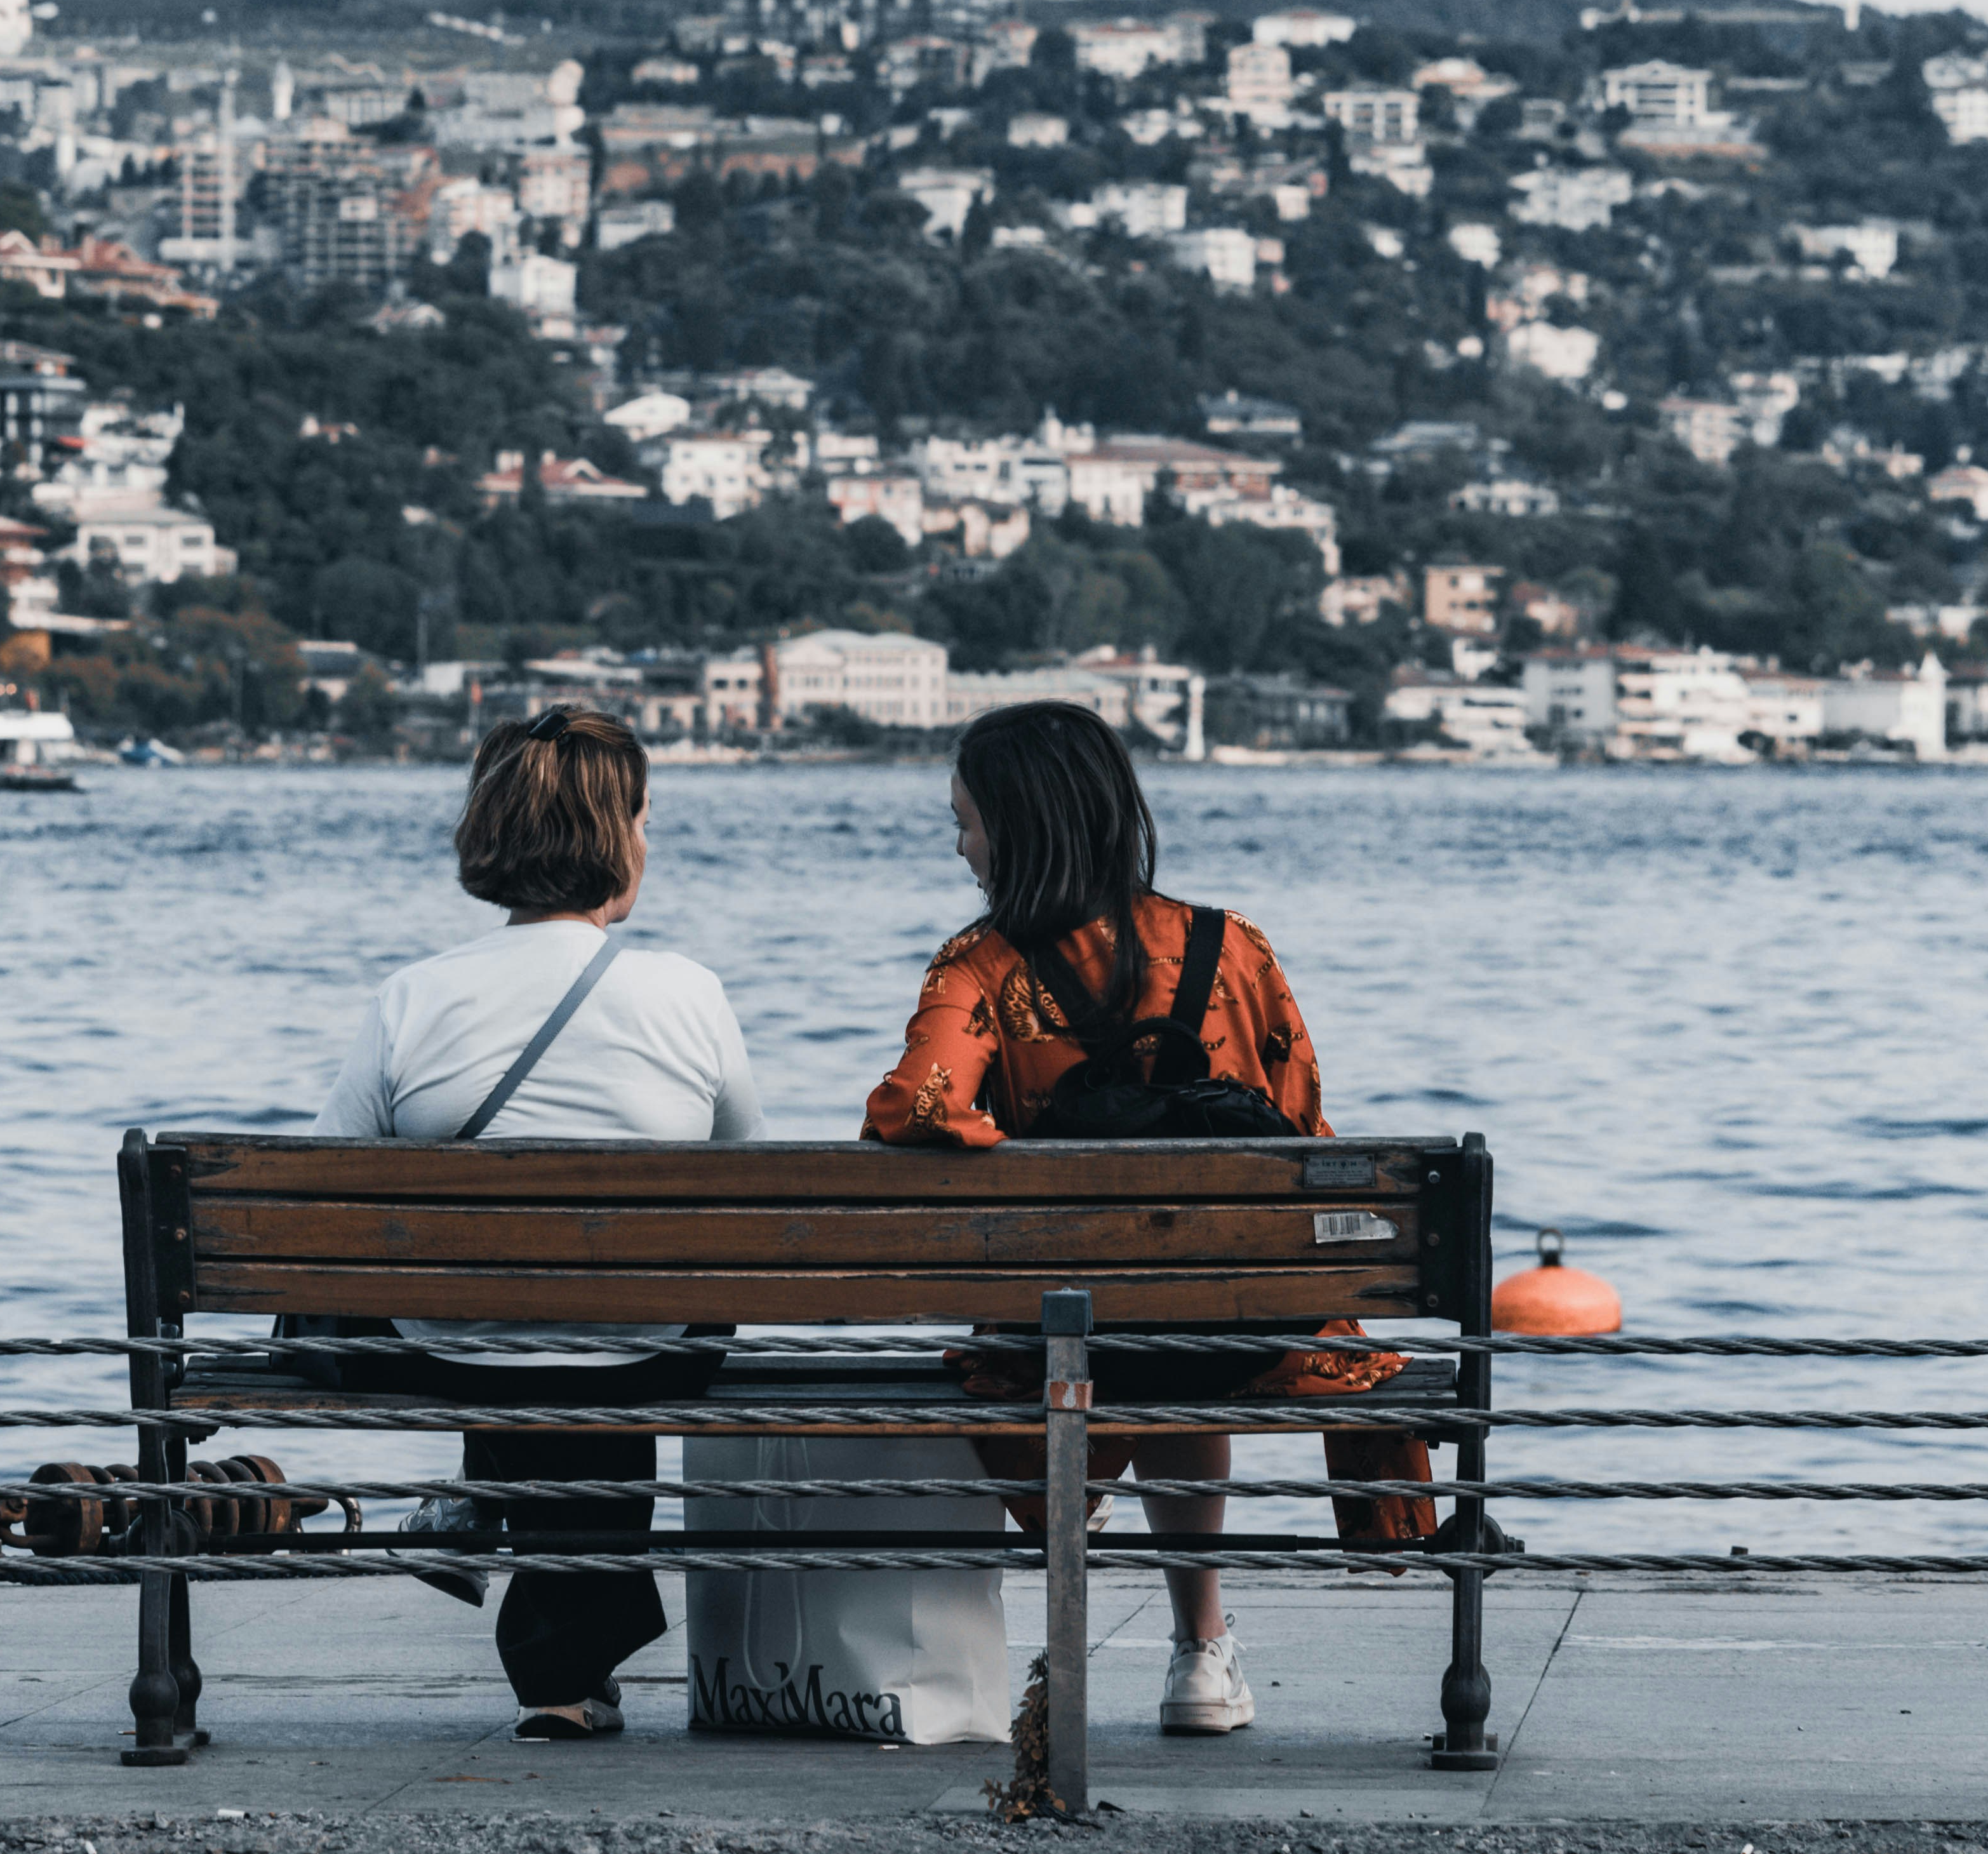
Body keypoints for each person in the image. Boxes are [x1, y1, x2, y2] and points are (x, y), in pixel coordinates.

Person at [861, 700, 1435, 1738]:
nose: (958, 846)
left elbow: (918, 1105)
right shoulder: (1235, 948)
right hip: (1250, 1327)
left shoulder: (979, 968)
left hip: (1072, 1326)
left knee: (1112, 1319)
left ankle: (1089, 1536)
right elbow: (1307, 1129)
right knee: (1192, 1300)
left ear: (1023, 826)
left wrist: (1022, 1150)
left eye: (967, 821)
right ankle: (1200, 1654)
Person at [317, 705, 763, 1740]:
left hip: (455, 1352)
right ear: (618, 837)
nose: (649, 843)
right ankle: (564, 1652)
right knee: (613, 1321)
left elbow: (331, 1189)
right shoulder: (687, 994)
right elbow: (748, 1182)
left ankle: (516, 1562)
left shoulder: (411, 998)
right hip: (644, 1352)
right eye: (645, 820)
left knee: (507, 1313)